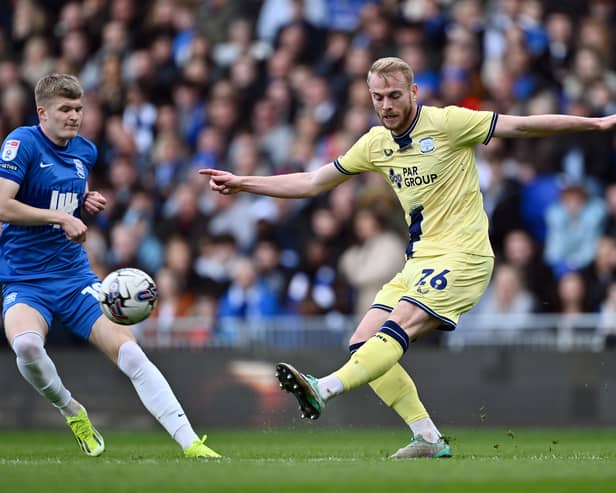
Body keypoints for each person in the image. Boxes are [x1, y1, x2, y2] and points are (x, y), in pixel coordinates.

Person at [200, 56, 616, 459]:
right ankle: (428, 437)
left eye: (394, 95)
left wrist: (596, 123)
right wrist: (244, 183)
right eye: (377, 97)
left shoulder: (449, 122)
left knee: (397, 325)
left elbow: (522, 126)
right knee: (363, 340)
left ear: (413, 92)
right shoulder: (375, 144)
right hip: (419, 262)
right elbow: (312, 181)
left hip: (465, 256)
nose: (386, 105)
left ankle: (322, 388)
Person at [0, 74, 220, 459]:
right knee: (28, 347)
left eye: (79, 109)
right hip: (23, 278)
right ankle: (72, 410)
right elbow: (3, 205)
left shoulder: (85, 151)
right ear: (42, 112)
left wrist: (85, 202)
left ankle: (191, 444)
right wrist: (60, 218)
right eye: (65, 109)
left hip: (73, 275)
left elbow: (65, 193)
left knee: (132, 354)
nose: (74, 116)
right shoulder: (21, 143)